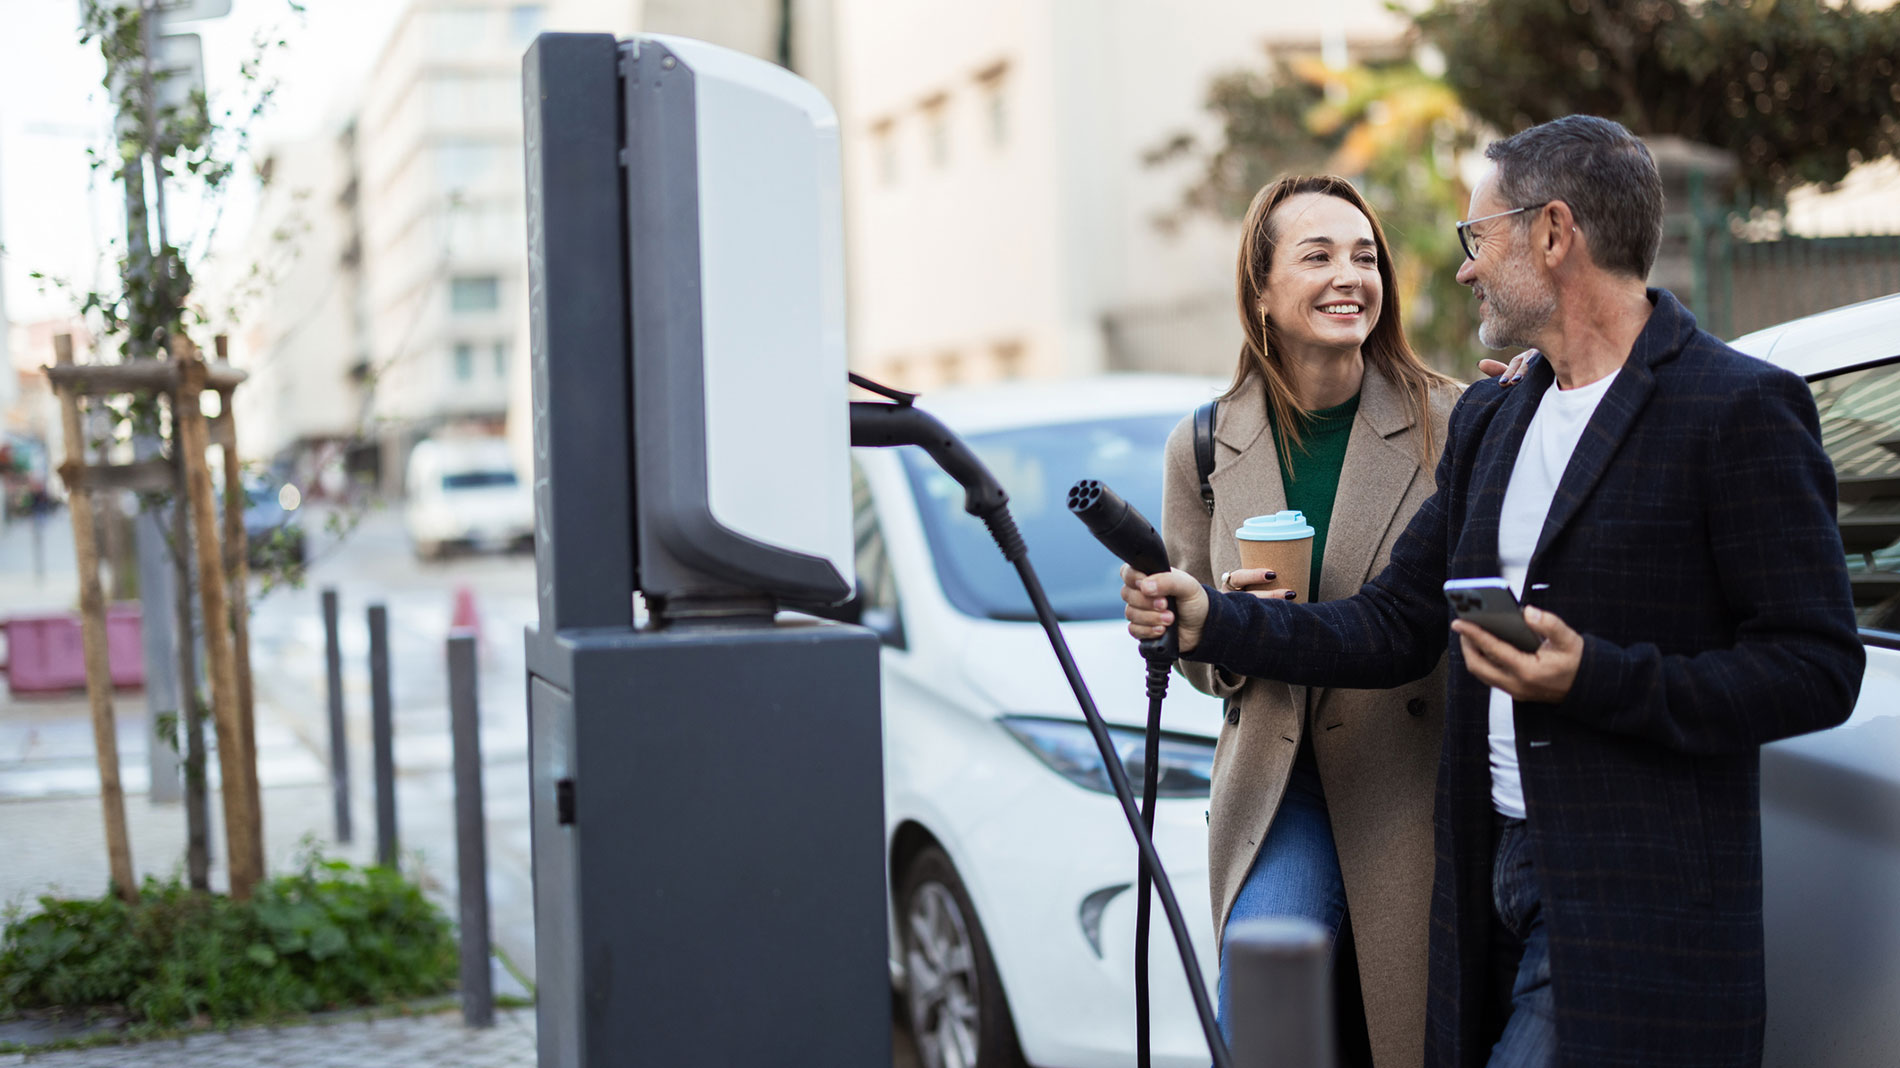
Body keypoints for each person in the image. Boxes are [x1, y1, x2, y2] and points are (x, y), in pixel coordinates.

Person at [1124, 115, 1863, 1068]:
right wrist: (1212, 618)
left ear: (1553, 235)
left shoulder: (1736, 408)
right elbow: (1392, 626)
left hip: (1628, 894)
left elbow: (1816, 667)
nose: (1464, 269)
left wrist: (1596, 677)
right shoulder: (1499, 419)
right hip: (1485, 875)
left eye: (1481, 238)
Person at [1163, 174, 1466, 1068]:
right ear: (1260, 288)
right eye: (1319, 255)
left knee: (1410, 1038)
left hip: (1408, 776)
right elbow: (1198, 653)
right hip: (1279, 780)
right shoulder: (1207, 443)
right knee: (1261, 1014)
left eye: (1365, 256)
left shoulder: (1452, 421)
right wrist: (1215, 625)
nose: (1350, 276)